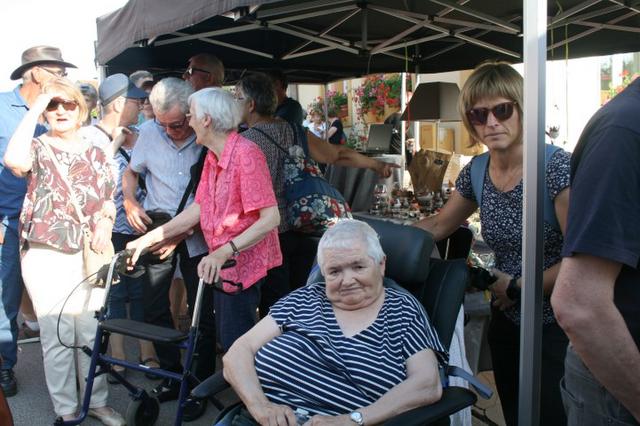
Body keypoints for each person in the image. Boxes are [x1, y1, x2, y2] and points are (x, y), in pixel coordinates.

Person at [413, 61, 570, 426]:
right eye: (479, 114)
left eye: (502, 110)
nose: (491, 122)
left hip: (559, 323)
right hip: (508, 316)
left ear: (522, 108)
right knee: (516, 413)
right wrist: (372, 241)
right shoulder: (477, 170)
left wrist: (515, 286)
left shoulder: (556, 167)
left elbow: (581, 259)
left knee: (553, 416)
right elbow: (439, 224)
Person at [223, 219, 445, 425]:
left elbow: (427, 383)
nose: (347, 280)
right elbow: (239, 351)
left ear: (381, 264)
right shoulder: (304, 298)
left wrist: (352, 420)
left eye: (358, 266)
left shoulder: (402, 309)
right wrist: (260, 407)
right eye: (334, 271)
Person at [3, 78, 124, 425]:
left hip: (88, 250)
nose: (60, 110)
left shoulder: (97, 149)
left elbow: (106, 197)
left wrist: (104, 220)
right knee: (58, 333)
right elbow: (13, 160)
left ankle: (96, 401)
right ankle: (67, 410)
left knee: (89, 330)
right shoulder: (38, 146)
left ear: (82, 110)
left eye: (67, 104)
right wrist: (38, 106)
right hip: (45, 251)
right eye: (53, 105)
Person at [127, 86, 282, 351]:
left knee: (238, 346)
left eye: (192, 115)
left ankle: (249, 393)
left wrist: (224, 252)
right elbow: (199, 209)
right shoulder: (213, 155)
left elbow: (270, 218)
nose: (189, 121)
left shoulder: (246, 153)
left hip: (242, 265)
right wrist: (147, 240)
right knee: (230, 340)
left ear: (206, 119)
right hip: (225, 263)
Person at [234, 72, 398, 317]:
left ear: (251, 105)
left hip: (269, 234)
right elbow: (336, 155)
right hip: (304, 225)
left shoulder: (243, 143)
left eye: (237, 98)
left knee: (275, 305)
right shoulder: (295, 131)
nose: (233, 103)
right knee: (304, 297)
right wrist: (375, 165)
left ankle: (281, 350)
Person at [121, 77, 213, 417]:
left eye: (177, 124)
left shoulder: (209, 136)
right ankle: (173, 374)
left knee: (201, 313)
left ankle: (199, 383)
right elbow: (131, 173)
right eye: (164, 125)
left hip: (200, 234)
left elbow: (214, 200)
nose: (172, 131)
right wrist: (130, 201)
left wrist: (179, 233)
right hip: (158, 228)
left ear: (192, 112)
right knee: (153, 307)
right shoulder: (149, 133)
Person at [551, 79, 640, 423]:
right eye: (480, 114)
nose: (492, 122)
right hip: (620, 388)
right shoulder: (624, 130)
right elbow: (578, 303)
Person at [0, 45, 76, 398]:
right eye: (55, 70)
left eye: (63, 71)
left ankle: (71, 375)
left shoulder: (60, 108)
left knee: (63, 302)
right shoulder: (2, 107)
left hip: (50, 226)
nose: (62, 77)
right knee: (6, 299)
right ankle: (4, 367)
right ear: (33, 72)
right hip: (10, 220)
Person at [80, 73, 147, 157]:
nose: (141, 107)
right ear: (119, 104)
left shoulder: (141, 133)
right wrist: (116, 143)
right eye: (138, 102)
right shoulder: (86, 139)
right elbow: (88, 169)